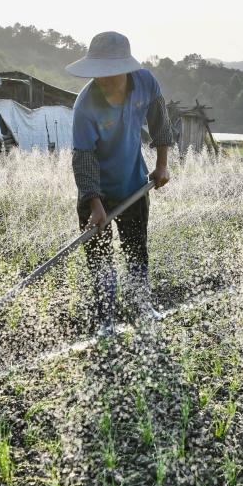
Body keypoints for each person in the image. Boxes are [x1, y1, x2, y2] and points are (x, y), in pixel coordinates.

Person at [65, 31, 173, 333]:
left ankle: (141, 305)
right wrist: (95, 205)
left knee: (136, 250)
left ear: (125, 69)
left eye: (109, 73)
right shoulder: (85, 105)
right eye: (97, 73)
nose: (102, 79)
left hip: (134, 186)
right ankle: (106, 320)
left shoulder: (146, 84)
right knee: (99, 258)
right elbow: (83, 158)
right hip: (95, 193)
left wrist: (162, 166)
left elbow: (160, 123)